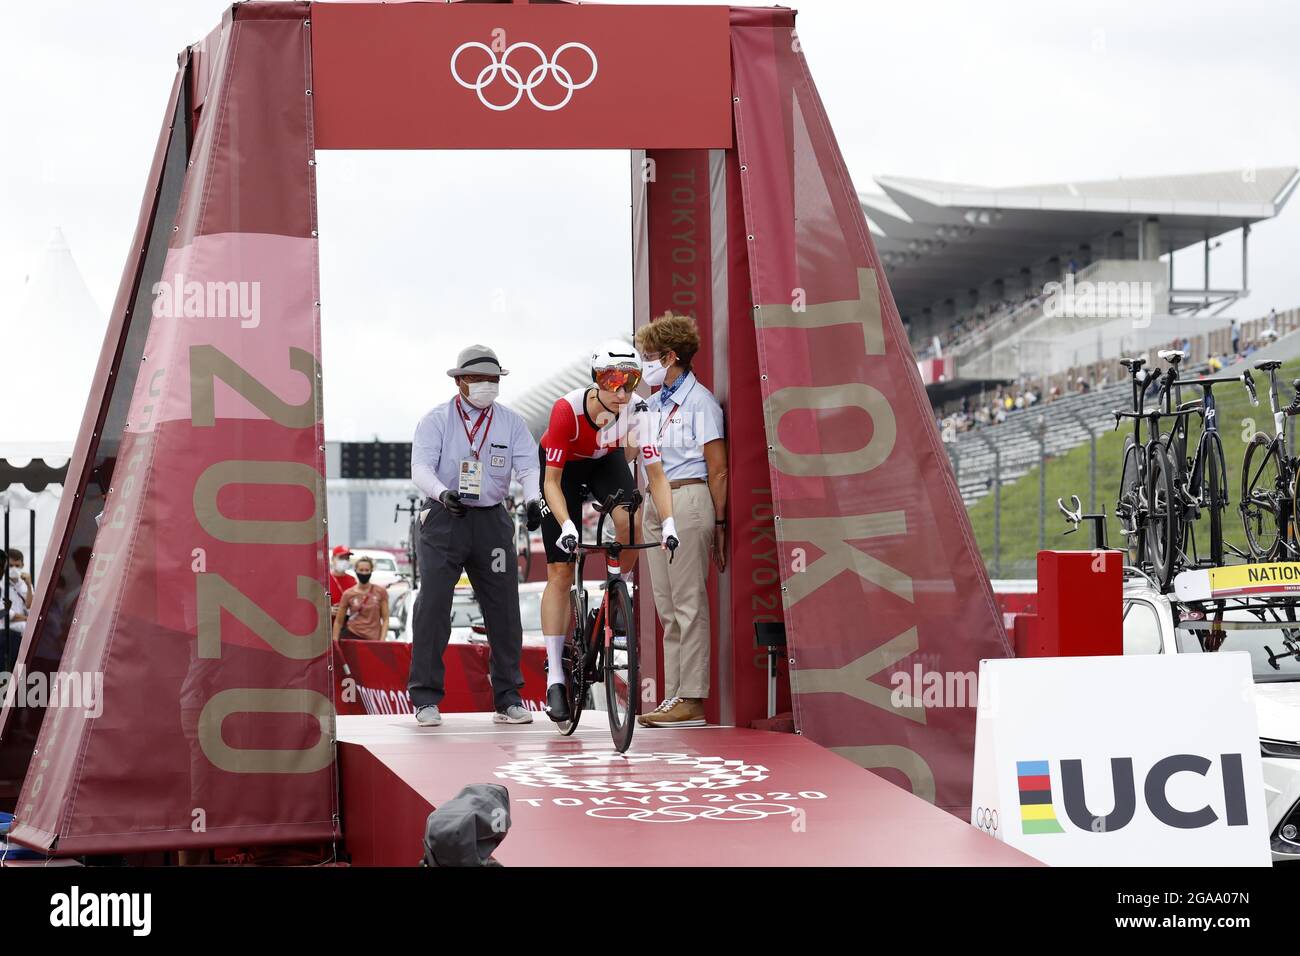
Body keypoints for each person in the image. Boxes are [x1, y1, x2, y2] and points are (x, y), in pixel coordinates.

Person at [537, 338, 679, 722]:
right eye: (611, 379)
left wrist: (669, 524)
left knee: (631, 519)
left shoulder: (639, 411)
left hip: (605, 460)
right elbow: (551, 482)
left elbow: (657, 476)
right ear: (596, 379)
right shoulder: (566, 409)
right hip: (563, 471)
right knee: (561, 570)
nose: (620, 390)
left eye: (629, 381)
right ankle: (555, 676)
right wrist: (566, 525)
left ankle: (616, 593)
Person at [409, 345, 544, 726]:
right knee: (434, 603)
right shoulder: (436, 420)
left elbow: (528, 467)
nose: (489, 386)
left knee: (503, 608)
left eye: (495, 379)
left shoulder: (511, 423)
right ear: (461, 380)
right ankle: (425, 697)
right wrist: (442, 493)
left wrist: (533, 499)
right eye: (481, 379)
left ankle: (508, 697)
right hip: (445, 516)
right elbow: (420, 467)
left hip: (491, 520)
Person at [634, 313, 728, 728]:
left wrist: (720, 524)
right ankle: (675, 695)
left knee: (689, 602)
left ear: (671, 357)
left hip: (688, 496)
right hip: (656, 502)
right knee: (668, 607)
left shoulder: (701, 402)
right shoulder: (651, 404)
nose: (644, 364)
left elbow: (718, 468)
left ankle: (692, 697)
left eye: (649, 357)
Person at [332, 556, 389, 641]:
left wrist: (382, 640)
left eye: (367, 570)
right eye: (361, 570)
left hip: (373, 639)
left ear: (371, 571)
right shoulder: (348, 594)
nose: (364, 573)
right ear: (356, 571)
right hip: (352, 637)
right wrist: (335, 642)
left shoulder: (380, 592)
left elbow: (385, 619)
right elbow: (339, 622)